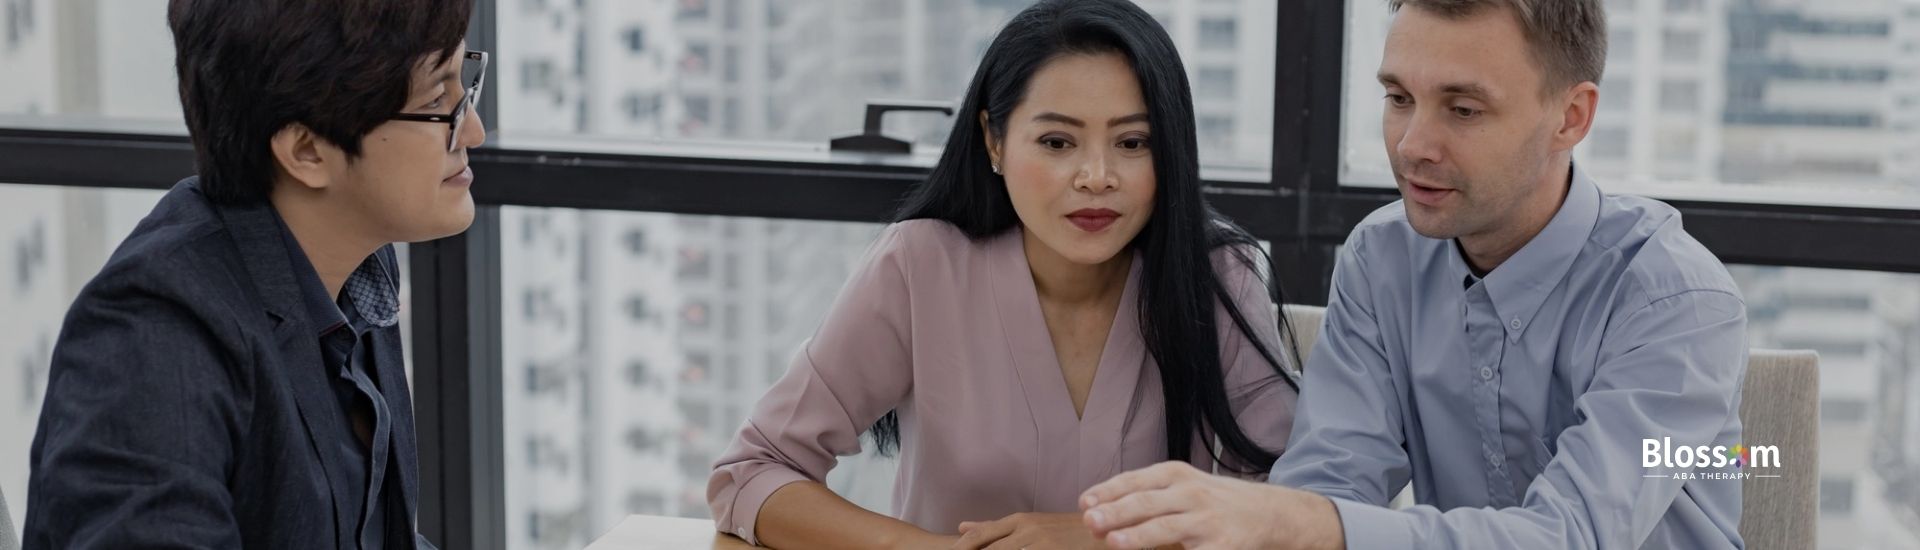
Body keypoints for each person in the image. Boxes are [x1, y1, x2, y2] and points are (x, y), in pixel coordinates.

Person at [1079, 1, 1749, 548]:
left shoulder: (1676, 300)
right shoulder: (1383, 256)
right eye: (1399, 97)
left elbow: (1569, 536)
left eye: (1462, 109)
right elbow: (1331, 481)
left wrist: (1296, 522)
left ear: (1570, 118)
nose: (1411, 145)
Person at [706, 1, 1300, 548]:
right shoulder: (921, 265)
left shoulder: (1223, 275)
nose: (1097, 176)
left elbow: (1289, 510)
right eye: (1057, 140)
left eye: (1133, 141)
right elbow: (751, 471)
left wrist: (1096, 542)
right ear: (994, 141)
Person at [23, 0, 486, 547]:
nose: (473, 131)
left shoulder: (356, 265)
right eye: (438, 102)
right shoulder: (153, 335)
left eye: (466, 86)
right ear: (307, 150)